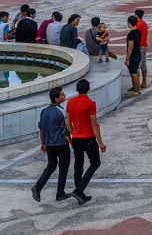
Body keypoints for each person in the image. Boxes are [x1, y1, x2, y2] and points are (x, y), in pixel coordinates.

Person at [67, 77, 105, 205]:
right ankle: (79, 190)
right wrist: (100, 142)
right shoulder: (90, 103)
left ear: (77, 89)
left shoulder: (70, 102)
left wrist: (73, 133)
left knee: (78, 164)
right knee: (95, 163)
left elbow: (68, 121)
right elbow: (94, 124)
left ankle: (80, 193)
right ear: (89, 89)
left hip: (76, 138)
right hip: (88, 138)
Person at [32, 87, 70, 203]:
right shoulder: (61, 111)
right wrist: (72, 143)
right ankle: (60, 193)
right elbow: (65, 131)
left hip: (49, 144)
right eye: (62, 95)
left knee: (51, 165)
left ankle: (37, 187)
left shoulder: (44, 111)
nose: (64, 96)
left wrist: (43, 143)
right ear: (56, 98)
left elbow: (41, 129)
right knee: (63, 167)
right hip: (61, 144)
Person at [124, 15, 142, 98]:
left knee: (133, 73)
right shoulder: (138, 31)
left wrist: (127, 58)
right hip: (138, 54)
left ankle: (135, 92)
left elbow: (130, 47)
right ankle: (137, 88)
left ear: (129, 23)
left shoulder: (131, 34)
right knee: (136, 71)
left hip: (133, 56)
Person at [134, 8, 149, 88]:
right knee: (143, 65)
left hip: (140, 46)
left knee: (137, 66)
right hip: (144, 45)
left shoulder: (138, 24)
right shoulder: (144, 23)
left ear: (136, 15)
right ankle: (144, 82)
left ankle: (137, 85)